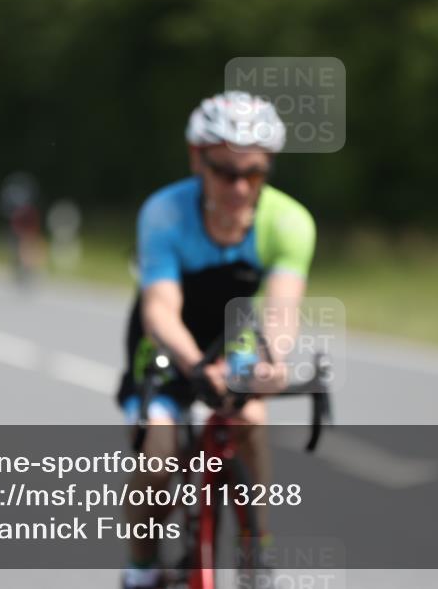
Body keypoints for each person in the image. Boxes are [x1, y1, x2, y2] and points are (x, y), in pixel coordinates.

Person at [116, 91, 316, 588]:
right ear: (197, 160)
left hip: (233, 342)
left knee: (249, 416)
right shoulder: (164, 213)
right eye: (226, 171)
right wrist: (192, 366)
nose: (241, 187)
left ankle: (258, 549)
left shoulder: (289, 222)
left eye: (255, 173)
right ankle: (141, 568)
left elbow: (282, 310)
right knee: (159, 460)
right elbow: (160, 307)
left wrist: (270, 360)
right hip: (164, 345)